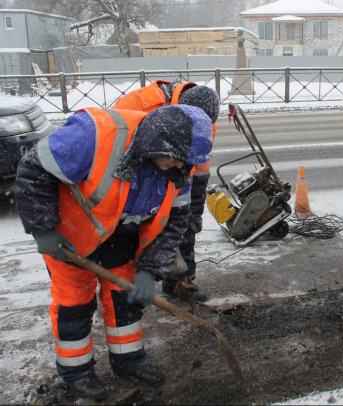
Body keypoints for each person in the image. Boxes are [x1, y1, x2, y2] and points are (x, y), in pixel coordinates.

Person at [14, 104, 213, 401]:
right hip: (70, 236)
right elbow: (33, 170)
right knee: (74, 305)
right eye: (175, 160)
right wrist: (43, 229)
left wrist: (150, 270)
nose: (179, 168)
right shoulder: (94, 135)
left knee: (125, 301)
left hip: (122, 235)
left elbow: (173, 222)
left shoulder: (180, 168)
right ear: (157, 142)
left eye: (185, 164)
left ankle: (128, 361)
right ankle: (77, 373)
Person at [113, 82, 220, 301]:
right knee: (143, 234)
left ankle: (180, 283)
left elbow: (198, 170)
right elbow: (116, 146)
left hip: (178, 181)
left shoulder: (203, 122)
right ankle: (130, 285)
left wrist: (194, 212)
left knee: (180, 230)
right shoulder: (140, 104)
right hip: (135, 182)